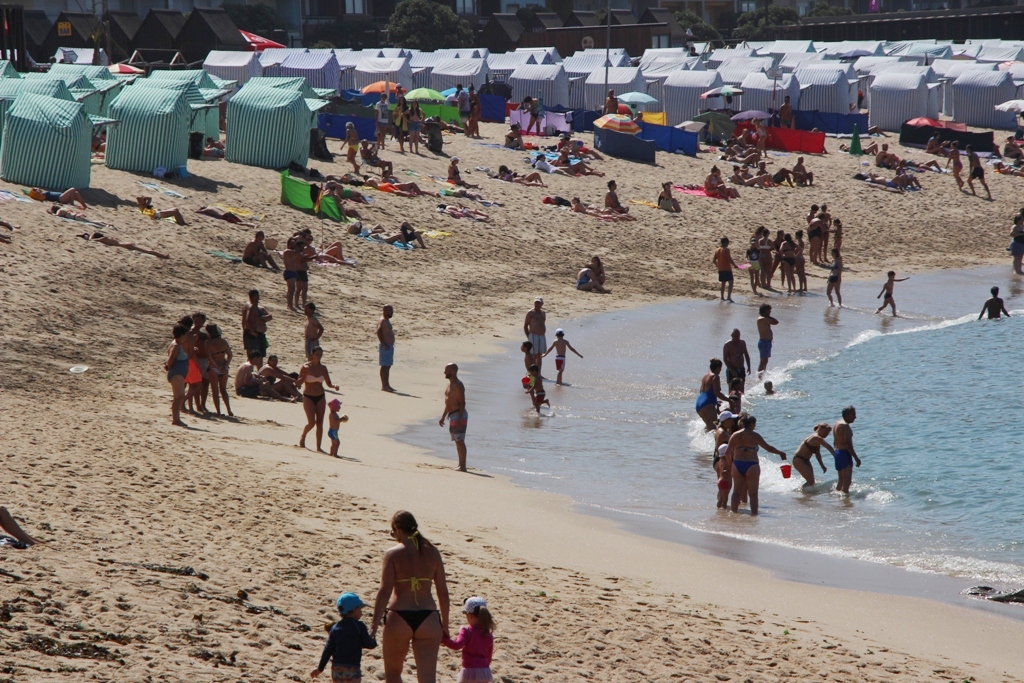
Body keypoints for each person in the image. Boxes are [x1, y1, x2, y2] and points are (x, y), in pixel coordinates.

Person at [370, 511, 450, 682]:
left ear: (398, 530)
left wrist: (374, 626)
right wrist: (445, 625)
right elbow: (443, 593)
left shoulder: (393, 554)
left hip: (399, 616)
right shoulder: (433, 552)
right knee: (428, 679)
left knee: (393, 673)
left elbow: (384, 591)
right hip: (428, 617)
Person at [727, 414, 786, 516]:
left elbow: (727, 451)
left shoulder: (735, 435)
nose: (755, 426)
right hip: (752, 465)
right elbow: (768, 448)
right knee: (753, 494)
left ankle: (733, 514)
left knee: (736, 492)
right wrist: (780, 453)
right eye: (754, 424)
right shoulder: (755, 435)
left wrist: (730, 463)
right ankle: (754, 515)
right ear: (751, 424)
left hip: (737, 464)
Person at [311, 592, 376, 682]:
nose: (361, 612)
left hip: (336, 669)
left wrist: (320, 668)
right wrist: (373, 638)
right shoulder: (359, 626)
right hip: (353, 670)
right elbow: (368, 644)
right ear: (353, 610)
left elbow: (328, 649)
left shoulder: (334, 628)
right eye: (360, 609)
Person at [442, 597, 494, 683]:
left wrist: (443, 639)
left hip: (469, 670)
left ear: (470, 616)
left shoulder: (467, 631)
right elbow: (489, 655)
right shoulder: (488, 633)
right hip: (484, 671)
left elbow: (457, 645)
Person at [298, 347, 339, 452]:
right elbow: (298, 383)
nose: (319, 356)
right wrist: (304, 375)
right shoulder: (305, 367)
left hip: (320, 396)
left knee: (320, 423)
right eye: (317, 354)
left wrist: (334, 386)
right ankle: (303, 436)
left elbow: (328, 383)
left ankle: (318, 447)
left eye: (320, 354)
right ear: (312, 354)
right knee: (311, 422)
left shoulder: (323, 368)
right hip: (308, 396)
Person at [440, 364, 468, 472]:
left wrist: (460, 419)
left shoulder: (458, 385)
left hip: (458, 414)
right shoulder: (449, 384)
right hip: (452, 415)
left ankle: (463, 466)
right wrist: (443, 417)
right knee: (457, 440)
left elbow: (462, 403)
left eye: (446, 370)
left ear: (452, 371)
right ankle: (460, 464)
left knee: (460, 440)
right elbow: (448, 402)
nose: (444, 373)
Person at [165, 322, 190, 426]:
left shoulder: (177, 345)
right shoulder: (176, 346)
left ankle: (177, 418)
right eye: (185, 335)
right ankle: (176, 419)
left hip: (179, 373)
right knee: (178, 397)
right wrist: (168, 366)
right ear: (182, 335)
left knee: (180, 396)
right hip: (176, 374)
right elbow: (171, 360)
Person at [205, 323, 233, 417]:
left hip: (213, 368)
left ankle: (218, 411)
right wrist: (226, 365)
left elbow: (210, 358)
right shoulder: (223, 342)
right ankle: (229, 410)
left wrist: (216, 366)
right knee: (223, 390)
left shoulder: (208, 343)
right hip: (224, 366)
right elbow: (230, 355)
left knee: (215, 391)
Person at [832, 406, 861, 495]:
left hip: (837, 452)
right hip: (844, 453)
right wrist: (856, 458)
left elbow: (834, 441)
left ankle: (836, 499)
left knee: (841, 480)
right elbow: (848, 444)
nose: (855, 417)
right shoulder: (845, 426)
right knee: (847, 482)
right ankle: (845, 503)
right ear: (847, 415)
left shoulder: (837, 423)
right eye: (853, 415)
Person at [714, 411, 740, 509]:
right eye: (731, 419)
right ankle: (722, 509)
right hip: (722, 460)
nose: (733, 421)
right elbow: (718, 449)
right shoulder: (722, 433)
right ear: (726, 421)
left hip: (720, 459)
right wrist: (725, 462)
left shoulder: (721, 430)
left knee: (723, 488)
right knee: (726, 486)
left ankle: (721, 509)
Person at [76, 231, 168, 258]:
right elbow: (88, 236)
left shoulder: (104, 239)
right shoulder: (104, 239)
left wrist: (90, 238)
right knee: (148, 251)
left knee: (148, 251)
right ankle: (163, 255)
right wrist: (83, 235)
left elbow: (91, 239)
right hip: (125, 245)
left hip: (127, 245)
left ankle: (164, 256)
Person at [695, 358, 729, 431]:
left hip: (699, 404)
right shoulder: (715, 376)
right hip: (707, 404)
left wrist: (714, 402)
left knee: (709, 427)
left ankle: (700, 440)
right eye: (720, 368)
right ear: (717, 367)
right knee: (714, 429)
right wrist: (729, 400)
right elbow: (717, 393)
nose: (721, 370)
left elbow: (702, 391)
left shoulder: (705, 376)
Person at [372, 304, 397, 393]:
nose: (392, 313)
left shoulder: (386, 320)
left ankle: (387, 385)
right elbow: (378, 332)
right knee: (385, 366)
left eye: (392, 311)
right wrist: (383, 344)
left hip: (389, 346)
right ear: (385, 311)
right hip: (385, 346)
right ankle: (384, 386)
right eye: (390, 311)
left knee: (388, 366)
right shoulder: (382, 320)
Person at [282, 237, 311, 311]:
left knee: (292, 289)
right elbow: (298, 254)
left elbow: (302, 258)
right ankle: (289, 305)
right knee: (291, 289)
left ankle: (291, 305)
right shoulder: (287, 251)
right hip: (289, 272)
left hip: (293, 272)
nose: (293, 245)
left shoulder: (293, 252)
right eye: (292, 244)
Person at [241, 288, 270, 361]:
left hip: (252, 332)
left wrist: (261, 318)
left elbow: (244, 322)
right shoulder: (251, 307)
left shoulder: (250, 306)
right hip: (252, 333)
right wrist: (252, 332)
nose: (258, 299)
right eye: (256, 297)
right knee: (254, 356)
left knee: (254, 355)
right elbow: (247, 321)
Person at [523, 298, 547, 371]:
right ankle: (531, 371)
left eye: (539, 303)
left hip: (542, 336)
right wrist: (529, 336)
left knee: (540, 355)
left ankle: (538, 372)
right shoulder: (531, 313)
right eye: (536, 302)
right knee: (533, 354)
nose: (537, 304)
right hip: (533, 335)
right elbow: (525, 325)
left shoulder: (543, 313)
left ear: (541, 304)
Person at [713, 237, 739, 302]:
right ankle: (728, 297)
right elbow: (729, 258)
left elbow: (714, 260)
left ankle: (722, 297)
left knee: (723, 283)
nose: (728, 244)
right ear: (725, 243)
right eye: (728, 243)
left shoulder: (717, 250)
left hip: (721, 269)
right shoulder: (726, 250)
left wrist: (718, 266)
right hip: (727, 269)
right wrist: (734, 265)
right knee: (731, 282)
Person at [756, 304, 777, 376]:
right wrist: (768, 316)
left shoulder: (765, 318)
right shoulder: (761, 319)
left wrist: (768, 316)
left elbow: (776, 322)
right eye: (769, 311)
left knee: (765, 361)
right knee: (763, 361)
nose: (770, 312)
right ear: (765, 311)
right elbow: (775, 322)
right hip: (764, 342)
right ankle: (759, 376)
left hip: (767, 342)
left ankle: (762, 374)